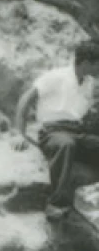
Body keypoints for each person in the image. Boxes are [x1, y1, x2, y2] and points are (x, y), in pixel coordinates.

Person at [13, 40, 99, 220]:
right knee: (66, 145)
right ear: (86, 63)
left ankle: (84, 192)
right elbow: (26, 99)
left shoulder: (88, 83)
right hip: (53, 131)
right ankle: (56, 204)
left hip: (78, 131)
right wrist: (19, 133)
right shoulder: (56, 76)